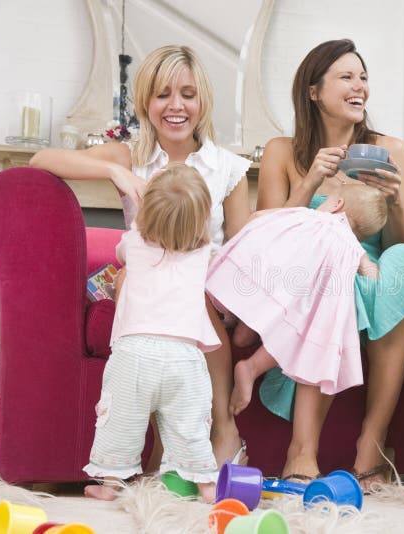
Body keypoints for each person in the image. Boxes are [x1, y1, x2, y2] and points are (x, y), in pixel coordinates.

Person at [29, 45, 251, 468]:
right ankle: (147, 440)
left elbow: (238, 253)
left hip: (208, 290)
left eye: (187, 94)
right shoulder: (130, 156)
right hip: (145, 289)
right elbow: (42, 159)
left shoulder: (228, 168)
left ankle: (222, 425)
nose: (176, 106)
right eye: (163, 94)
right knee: (135, 276)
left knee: (195, 291)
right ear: (146, 101)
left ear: (202, 101)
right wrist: (115, 171)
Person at [256, 39, 404, 489]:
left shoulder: (389, 149)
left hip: (374, 270)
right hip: (310, 269)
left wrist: (396, 203)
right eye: (346, 77)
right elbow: (266, 236)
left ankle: (372, 443)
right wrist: (310, 181)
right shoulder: (282, 151)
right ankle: (301, 451)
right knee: (335, 271)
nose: (359, 86)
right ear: (313, 91)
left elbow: (399, 242)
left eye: (362, 77)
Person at [84, 164, 220, 502]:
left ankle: (111, 486)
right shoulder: (206, 254)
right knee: (191, 429)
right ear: (202, 219)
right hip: (184, 358)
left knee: (121, 424)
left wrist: (140, 224)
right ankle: (207, 486)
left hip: (134, 353)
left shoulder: (134, 241)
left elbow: (120, 254)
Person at [206, 185, 387, 415]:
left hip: (265, 287)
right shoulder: (351, 245)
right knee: (298, 330)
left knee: (254, 294)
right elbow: (370, 273)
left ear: (336, 204)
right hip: (293, 303)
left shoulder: (306, 215)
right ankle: (252, 367)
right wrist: (375, 274)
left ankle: (233, 319)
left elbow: (259, 217)